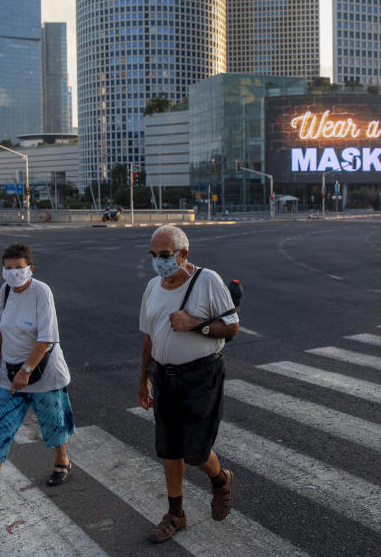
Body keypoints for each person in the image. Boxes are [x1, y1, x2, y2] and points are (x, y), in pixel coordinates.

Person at [137, 225, 240, 543]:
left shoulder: (207, 280)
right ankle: (175, 514)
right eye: (153, 255)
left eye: (164, 255)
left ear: (184, 254)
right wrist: (143, 381)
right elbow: (148, 338)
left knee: (195, 450)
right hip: (164, 378)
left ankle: (220, 478)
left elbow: (232, 327)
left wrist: (195, 325)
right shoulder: (153, 287)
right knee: (169, 449)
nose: (158, 261)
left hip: (201, 376)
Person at [0, 242, 75, 505]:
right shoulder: (6, 291)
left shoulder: (41, 292)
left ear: (30, 268)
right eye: (8, 268)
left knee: (54, 422)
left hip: (43, 372)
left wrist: (26, 370)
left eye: (18, 268)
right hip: (10, 373)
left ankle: (62, 461)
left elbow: (46, 338)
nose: (13, 273)